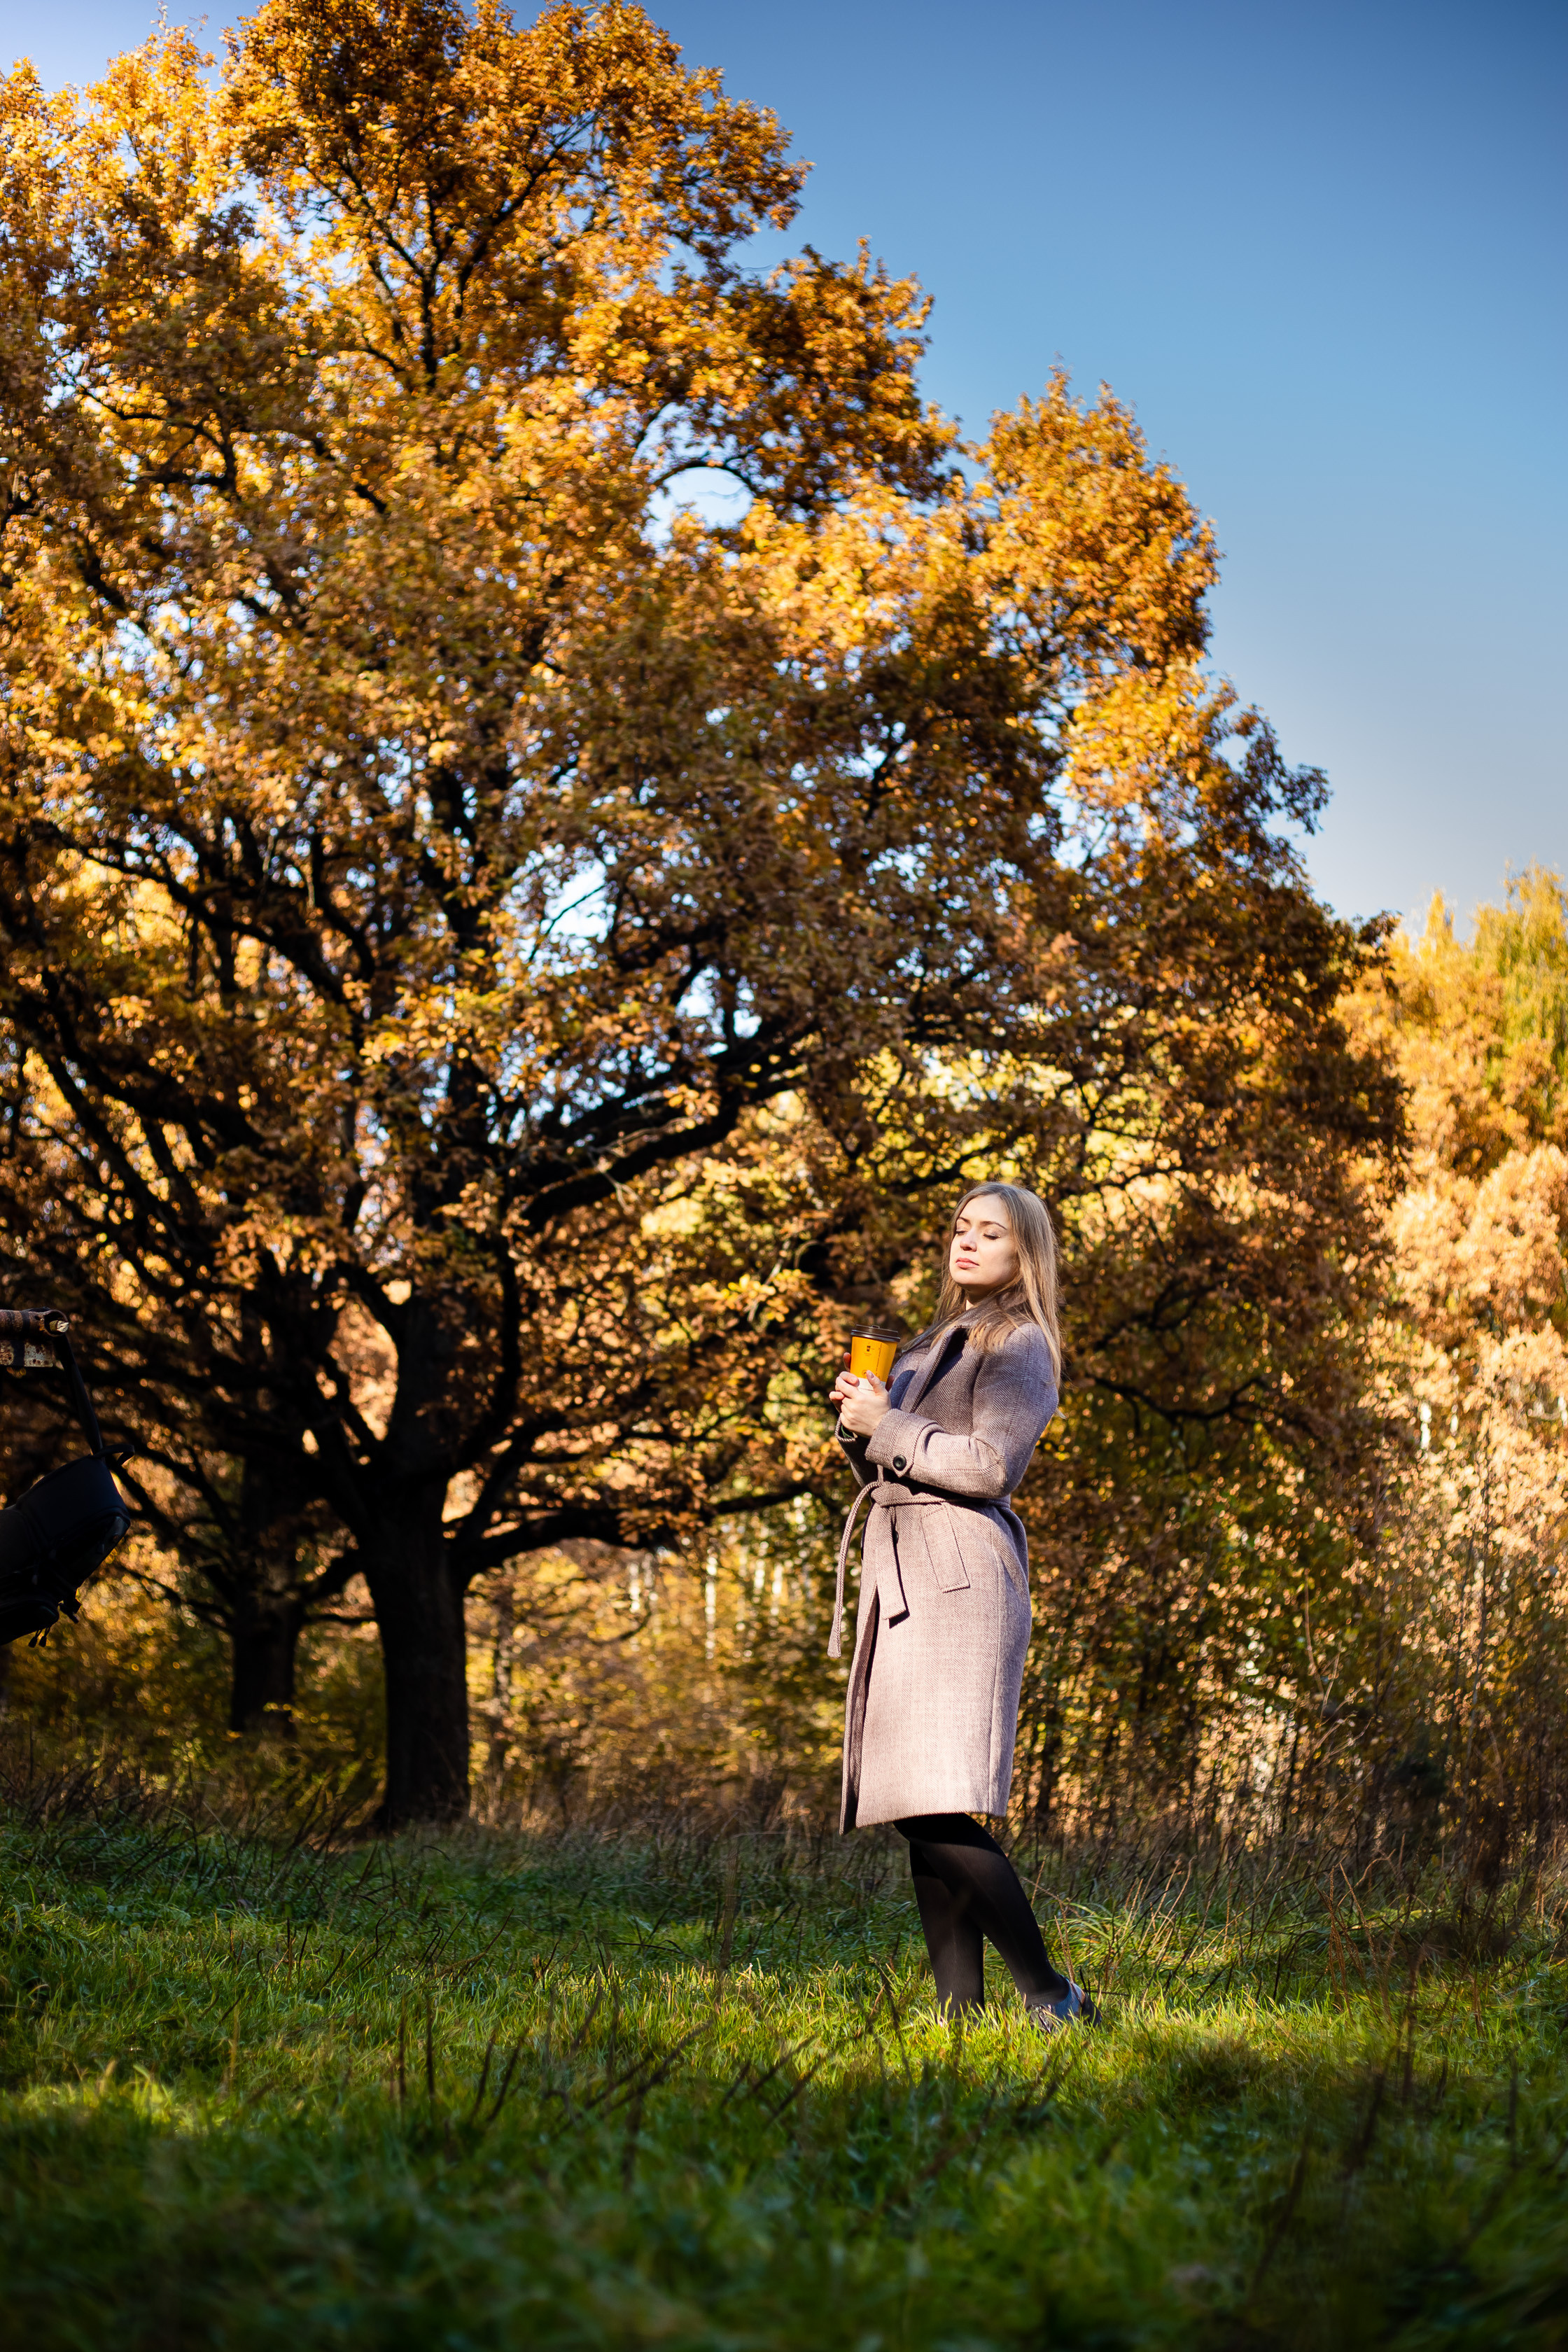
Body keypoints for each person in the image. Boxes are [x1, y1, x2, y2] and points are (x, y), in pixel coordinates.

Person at [828, 1183, 1093, 2027]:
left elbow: (987, 1467)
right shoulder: (924, 1343)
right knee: (917, 1799)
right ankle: (960, 2017)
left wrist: (888, 1426)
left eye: (990, 1233)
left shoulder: (1019, 1343)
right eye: (960, 1228)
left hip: (959, 1578)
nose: (967, 1242)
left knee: (931, 1799)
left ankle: (1052, 1995)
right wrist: (858, 1425)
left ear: (1024, 1254)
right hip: (903, 1570)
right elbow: (893, 1463)